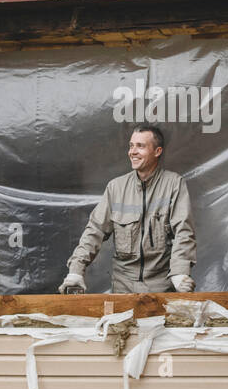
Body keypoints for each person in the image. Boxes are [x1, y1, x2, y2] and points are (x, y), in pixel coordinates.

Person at [60, 124, 196, 294]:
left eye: (140, 146)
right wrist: (76, 270)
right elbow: (94, 231)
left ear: (157, 151)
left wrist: (180, 272)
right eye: (131, 146)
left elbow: (183, 231)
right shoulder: (116, 188)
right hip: (123, 288)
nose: (132, 152)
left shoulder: (174, 184)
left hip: (162, 287)